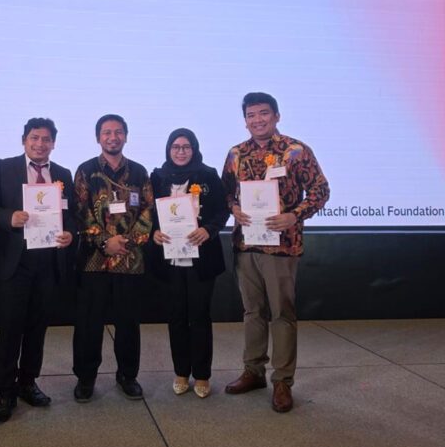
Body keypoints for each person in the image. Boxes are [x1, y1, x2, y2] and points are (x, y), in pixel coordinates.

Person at [221, 92, 329, 413]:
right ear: (245, 120)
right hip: (246, 244)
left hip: (282, 246)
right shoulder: (236, 154)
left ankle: (282, 381)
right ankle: (253, 371)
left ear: (276, 116)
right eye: (251, 115)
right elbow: (226, 194)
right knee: (252, 312)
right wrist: (234, 208)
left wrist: (294, 216)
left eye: (263, 113)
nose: (258, 120)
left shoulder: (296, 151)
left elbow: (321, 190)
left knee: (282, 313)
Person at [0, 118, 76, 424]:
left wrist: (70, 233)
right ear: (24, 140)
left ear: (54, 143)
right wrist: (7, 217)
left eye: (46, 139)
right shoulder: (4, 168)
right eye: (34, 138)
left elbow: (71, 214)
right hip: (16, 262)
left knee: (38, 327)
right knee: (11, 328)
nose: (40, 144)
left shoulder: (62, 174)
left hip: (48, 262)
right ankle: (5, 391)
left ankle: (28, 382)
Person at [72, 114, 154, 402]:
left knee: (128, 322)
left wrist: (126, 242)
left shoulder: (140, 172)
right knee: (88, 323)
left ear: (126, 136)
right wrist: (105, 241)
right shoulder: (86, 170)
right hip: (93, 260)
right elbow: (80, 211)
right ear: (98, 137)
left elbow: (148, 211)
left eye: (118, 132)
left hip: (130, 260)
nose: (113, 137)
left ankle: (127, 375)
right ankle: (85, 378)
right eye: (106, 132)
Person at [149, 128, 229, 398]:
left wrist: (208, 229)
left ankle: (202, 374)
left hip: (201, 257)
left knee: (199, 316)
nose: (181, 152)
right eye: (176, 147)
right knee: (176, 317)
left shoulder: (208, 175)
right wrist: (153, 233)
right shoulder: (157, 177)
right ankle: (181, 372)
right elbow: (148, 213)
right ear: (168, 150)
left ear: (194, 149)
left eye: (186, 147)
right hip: (169, 258)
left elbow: (222, 210)